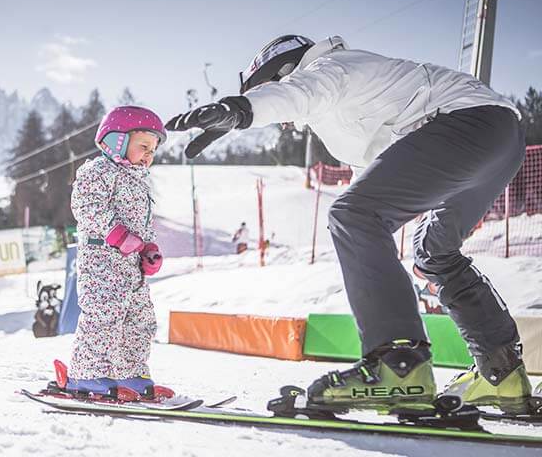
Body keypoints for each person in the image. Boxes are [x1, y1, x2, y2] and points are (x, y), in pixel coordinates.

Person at [165, 34, 532, 414]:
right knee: (434, 252)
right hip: (499, 138)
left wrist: (238, 109)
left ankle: (399, 369)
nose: (285, 124)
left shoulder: (329, 69)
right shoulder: (341, 116)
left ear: (285, 71)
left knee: (351, 215)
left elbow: (299, 94)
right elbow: (375, 184)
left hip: (467, 123)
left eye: (272, 88)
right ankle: (501, 374)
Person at [65, 105, 167, 400]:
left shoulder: (140, 182)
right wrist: (116, 233)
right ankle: (86, 373)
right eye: (143, 146)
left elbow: (142, 223)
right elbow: (86, 206)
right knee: (104, 315)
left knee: (140, 320)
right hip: (101, 261)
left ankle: (129, 373)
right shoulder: (98, 170)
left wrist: (148, 249)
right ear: (117, 140)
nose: (149, 154)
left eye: (153, 149)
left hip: (131, 267)